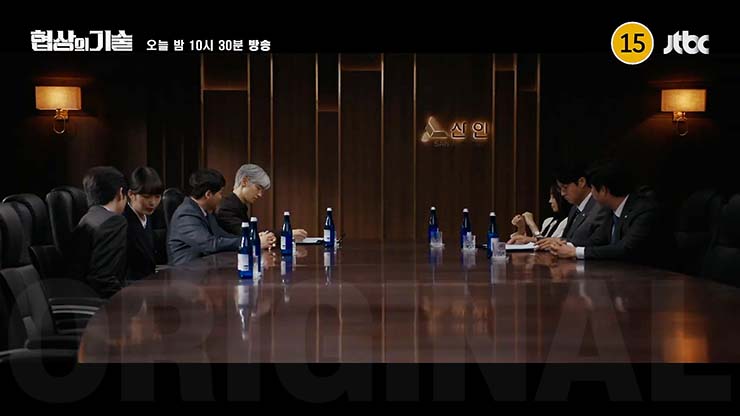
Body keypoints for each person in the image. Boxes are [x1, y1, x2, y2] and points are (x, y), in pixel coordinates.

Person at [549, 161, 663, 264]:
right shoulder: (611, 210)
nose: (591, 193)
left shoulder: (643, 211)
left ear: (603, 190)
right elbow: (597, 240)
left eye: (592, 188)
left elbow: (625, 248)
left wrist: (575, 252)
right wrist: (565, 246)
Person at [68, 166, 128, 298]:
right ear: (121, 193)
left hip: (80, 298)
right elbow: (103, 279)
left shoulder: (87, 218)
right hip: (103, 304)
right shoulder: (113, 221)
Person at [215, 163, 307, 247]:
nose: (260, 194)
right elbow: (250, 236)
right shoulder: (226, 208)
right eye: (258, 188)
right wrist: (286, 233)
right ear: (244, 181)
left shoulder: (237, 206)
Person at [167, 169, 241, 266]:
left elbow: (221, 235)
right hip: (186, 271)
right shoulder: (186, 214)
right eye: (220, 193)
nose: (221, 197)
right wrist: (247, 242)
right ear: (208, 194)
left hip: (205, 267)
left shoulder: (205, 211)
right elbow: (209, 245)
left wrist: (250, 239)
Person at [535, 161, 610, 251]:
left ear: (581, 182)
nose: (562, 193)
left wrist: (563, 242)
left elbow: (596, 241)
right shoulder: (574, 208)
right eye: (560, 189)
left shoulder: (600, 206)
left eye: (565, 187)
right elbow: (567, 237)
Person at [124, 167, 163, 281]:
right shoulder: (123, 221)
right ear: (131, 194)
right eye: (146, 197)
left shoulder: (150, 215)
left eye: (157, 196)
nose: (153, 202)